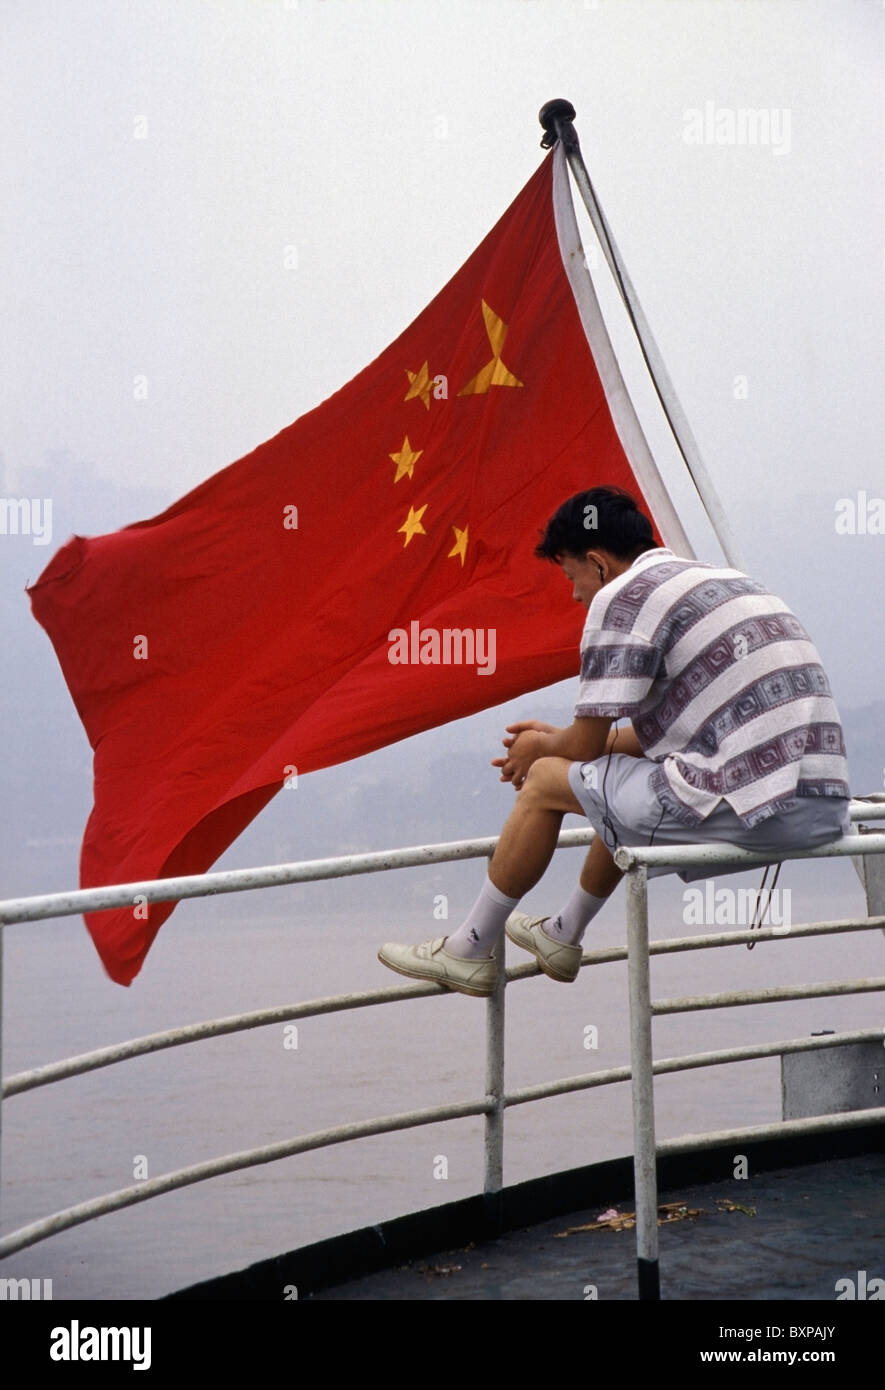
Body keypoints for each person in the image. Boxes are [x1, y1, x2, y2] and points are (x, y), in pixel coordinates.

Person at [378, 486, 851, 997]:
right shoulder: (724, 582)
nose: (575, 595)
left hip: (752, 810)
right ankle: (562, 934)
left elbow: (582, 746)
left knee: (543, 783)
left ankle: (468, 948)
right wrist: (557, 741)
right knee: (609, 785)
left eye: (572, 576)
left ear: (599, 564)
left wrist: (541, 748)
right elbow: (624, 749)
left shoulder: (622, 597)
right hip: (822, 809)